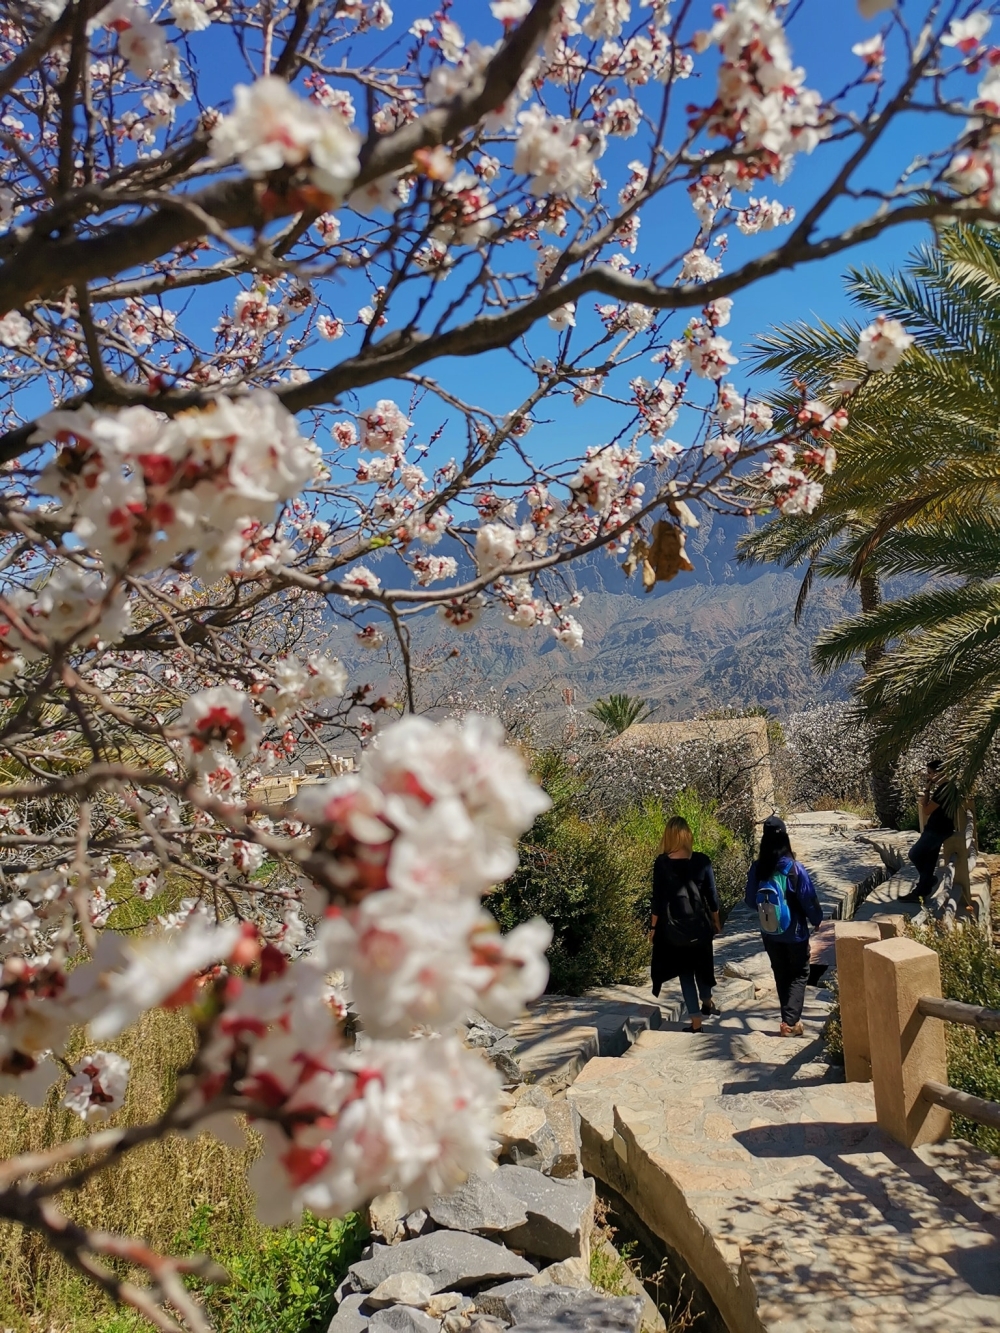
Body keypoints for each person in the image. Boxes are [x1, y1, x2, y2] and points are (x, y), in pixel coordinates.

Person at [744, 815, 823, 1037]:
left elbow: (750, 901)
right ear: (785, 839)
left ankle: (788, 1020)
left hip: (769, 932)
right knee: (799, 973)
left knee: (781, 973)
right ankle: (789, 1023)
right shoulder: (794, 869)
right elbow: (809, 898)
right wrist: (816, 920)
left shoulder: (758, 868)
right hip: (795, 932)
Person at [649, 816, 721, 1033]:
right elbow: (712, 896)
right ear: (688, 835)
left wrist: (653, 928)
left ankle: (696, 1022)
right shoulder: (702, 861)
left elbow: (657, 899)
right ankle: (707, 1001)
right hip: (700, 926)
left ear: (668, 836)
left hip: (675, 929)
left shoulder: (662, 863)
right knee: (703, 967)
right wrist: (716, 921)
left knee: (686, 973)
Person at [900, 757, 955, 904]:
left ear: (938, 773)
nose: (929, 776)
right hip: (939, 828)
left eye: (930, 773)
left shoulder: (944, 790)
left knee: (915, 854)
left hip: (937, 829)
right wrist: (928, 790)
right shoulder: (946, 788)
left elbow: (926, 809)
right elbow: (928, 807)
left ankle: (927, 881)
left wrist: (927, 792)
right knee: (929, 860)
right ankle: (921, 891)